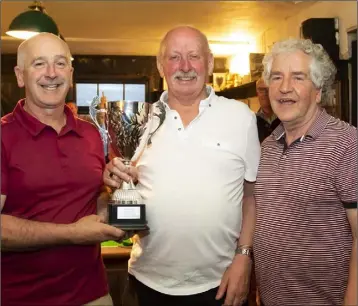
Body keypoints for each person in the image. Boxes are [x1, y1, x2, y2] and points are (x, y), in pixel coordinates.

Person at [104, 26, 261, 306]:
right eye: (175, 57)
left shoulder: (241, 117)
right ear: (160, 65)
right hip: (147, 282)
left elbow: (252, 196)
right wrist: (114, 182)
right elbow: (124, 198)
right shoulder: (139, 121)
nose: (185, 67)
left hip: (221, 283)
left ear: (210, 62)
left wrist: (244, 257)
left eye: (194, 56)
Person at [1, 33, 125, 306]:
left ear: (70, 73)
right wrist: (72, 233)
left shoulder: (91, 133)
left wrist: (113, 199)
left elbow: (92, 201)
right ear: (20, 76)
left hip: (93, 295)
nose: (51, 73)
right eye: (39, 64)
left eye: (60, 63)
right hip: (20, 299)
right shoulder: (2, 136)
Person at [253, 38, 357, 306]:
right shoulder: (268, 146)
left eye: (298, 77)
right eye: (277, 77)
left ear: (318, 90)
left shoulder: (347, 144)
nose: (284, 88)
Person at [255, 78, 280, 143]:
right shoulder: (253, 121)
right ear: (257, 93)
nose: (265, 93)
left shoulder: (284, 117)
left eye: (267, 89)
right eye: (261, 90)